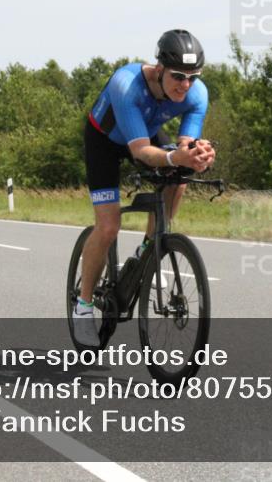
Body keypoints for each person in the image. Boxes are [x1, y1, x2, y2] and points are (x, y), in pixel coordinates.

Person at [74, 29, 216, 346]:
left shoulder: (196, 94)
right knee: (109, 226)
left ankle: (150, 249)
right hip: (106, 142)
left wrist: (196, 153)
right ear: (159, 68)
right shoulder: (126, 84)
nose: (185, 85)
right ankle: (83, 308)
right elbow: (140, 152)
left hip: (145, 135)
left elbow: (184, 144)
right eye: (178, 76)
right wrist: (174, 156)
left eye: (193, 77)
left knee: (180, 171)